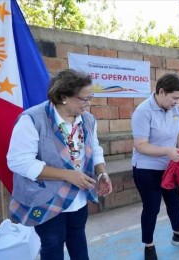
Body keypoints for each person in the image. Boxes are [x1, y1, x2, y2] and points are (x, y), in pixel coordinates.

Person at [7, 69, 112, 260]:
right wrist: (68, 175)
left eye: (91, 97)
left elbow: (94, 148)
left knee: (78, 239)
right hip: (46, 198)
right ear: (64, 97)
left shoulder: (88, 120)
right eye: (84, 99)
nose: (89, 103)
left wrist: (101, 172)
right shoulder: (32, 119)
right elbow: (18, 161)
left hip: (77, 198)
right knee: (52, 246)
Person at [131, 73, 179, 260]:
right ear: (161, 92)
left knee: (174, 202)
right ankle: (149, 245)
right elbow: (141, 145)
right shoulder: (143, 111)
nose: (178, 102)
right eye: (175, 97)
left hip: (170, 166)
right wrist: (167, 151)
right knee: (152, 207)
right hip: (147, 168)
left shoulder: (174, 108)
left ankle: (178, 234)